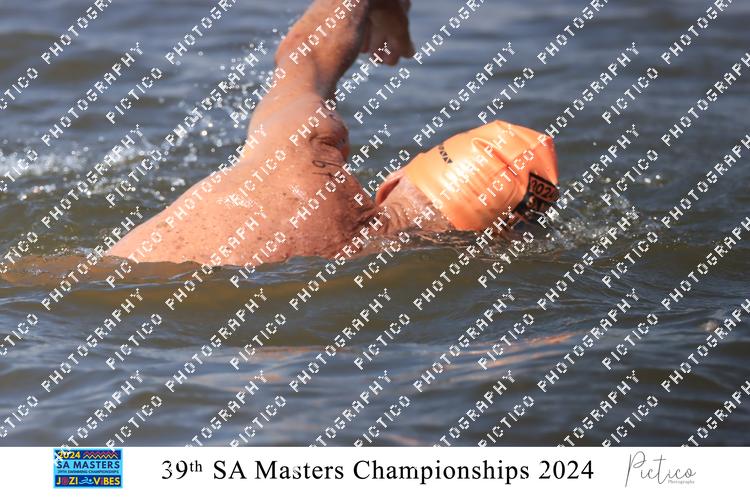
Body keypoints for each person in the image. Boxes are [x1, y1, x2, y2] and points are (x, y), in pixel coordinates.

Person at [107, 0, 559, 268]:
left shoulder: (300, 160)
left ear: (395, 180)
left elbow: (303, 55)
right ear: (498, 242)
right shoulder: (387, 311)